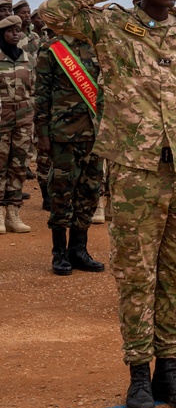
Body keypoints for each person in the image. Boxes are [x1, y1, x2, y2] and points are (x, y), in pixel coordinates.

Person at [38, 0, 176, 408]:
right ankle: (139, 373)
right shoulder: (110, 25)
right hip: (134, 172)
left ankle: (169, 370)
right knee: (137, 273)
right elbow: (49, 14)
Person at [34, 33, 105, 275]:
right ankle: (59, 253)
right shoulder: (52, 49)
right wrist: (42, 132)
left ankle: (79, 250)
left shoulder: (99, 45)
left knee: (90, 192)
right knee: (62, 190)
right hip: (63, 132)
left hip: (95, 134)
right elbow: (42, 93)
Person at [0, 14, 35, 234]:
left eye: (18, 30)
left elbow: (35, 89)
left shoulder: (27, 58)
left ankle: (13, 214)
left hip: (23, 120)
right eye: (11, 30)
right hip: (1, 119)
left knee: (18, 166)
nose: (16, 33)